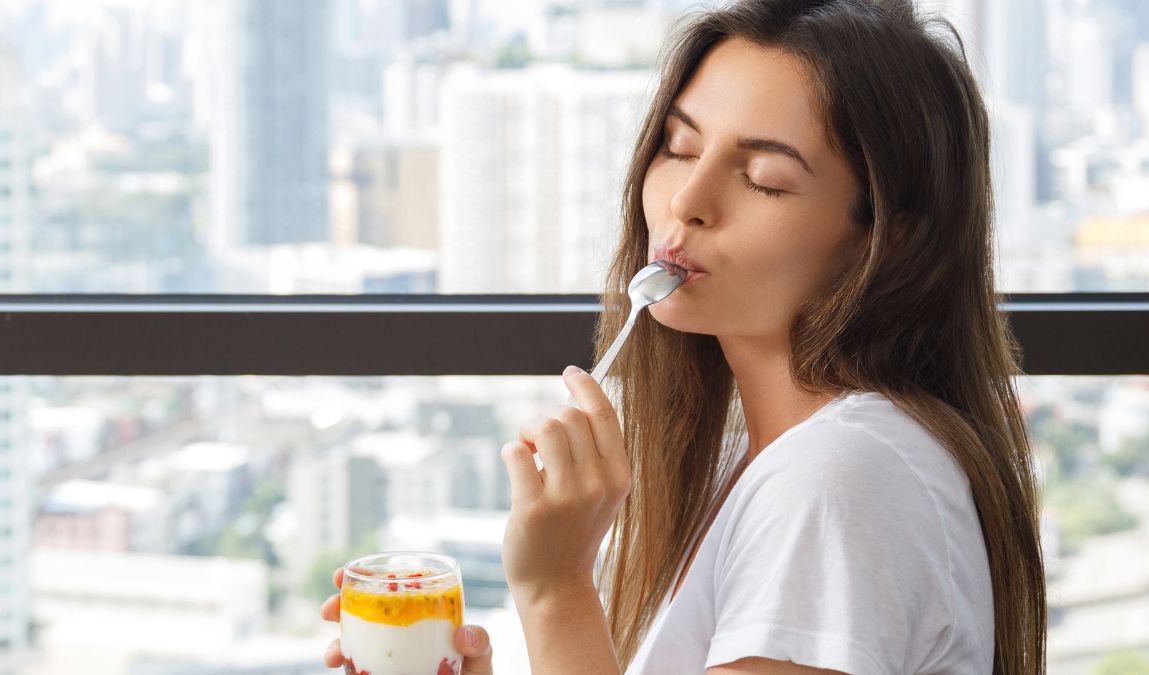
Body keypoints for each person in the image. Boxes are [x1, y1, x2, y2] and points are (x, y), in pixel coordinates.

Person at [320, 0, 1048, 672]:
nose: (689, 201)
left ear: (889, 239)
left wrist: (556, 592)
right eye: (677, 147)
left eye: (762, 177)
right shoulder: (753, 453)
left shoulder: (839, 477)